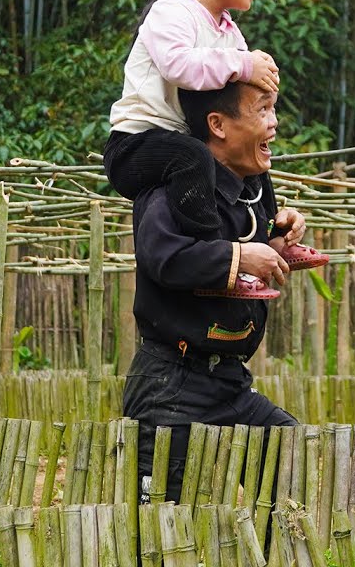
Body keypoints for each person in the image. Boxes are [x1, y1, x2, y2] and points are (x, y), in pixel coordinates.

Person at [103, 0, 325, 299]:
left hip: (182, 141)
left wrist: (263, 85)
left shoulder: (227, 29)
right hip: (137, 145)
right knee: (193, 157)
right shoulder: (172, 12)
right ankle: (223, 260)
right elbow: (179, 66)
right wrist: (244, 64)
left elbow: (238, 94)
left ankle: (273, 237)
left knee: (251, 156)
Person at [124, 79, 303, 502]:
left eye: (273, 109)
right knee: (163, 526)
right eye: (262, 110)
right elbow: (162, 255)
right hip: (172, 385)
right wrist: (239, 256)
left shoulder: (253, 186)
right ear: (218, 124)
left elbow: (247, 250)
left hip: (230, 381)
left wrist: (277, 242)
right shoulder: (174, 183)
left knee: (293, 464)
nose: (274, 123)